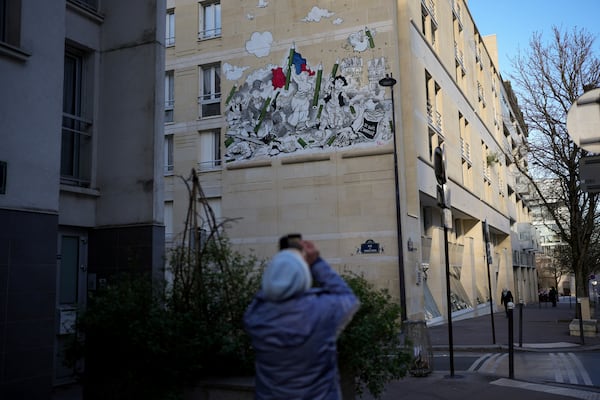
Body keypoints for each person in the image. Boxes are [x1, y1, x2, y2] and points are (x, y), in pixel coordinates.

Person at [244, 239, 359, 399]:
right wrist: (316, 262)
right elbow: (348, 298)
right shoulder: (322, 310)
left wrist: (278, 272)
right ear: (303, 277)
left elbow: (263, 295)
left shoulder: (255, 316)